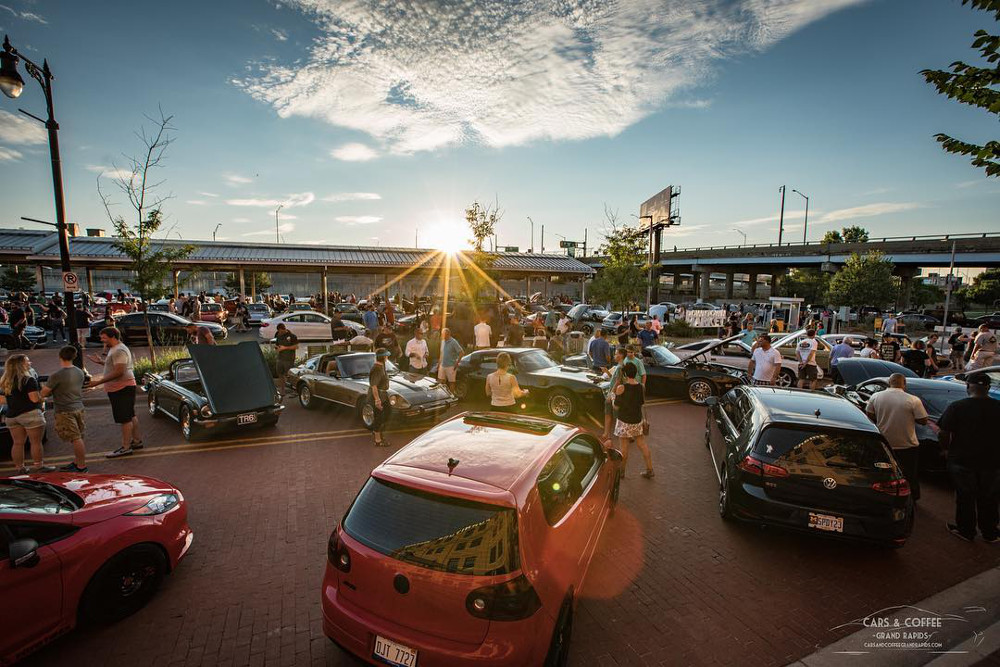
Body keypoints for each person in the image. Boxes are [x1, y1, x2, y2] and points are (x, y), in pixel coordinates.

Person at [938, 373, 1000, 542]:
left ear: (968, 387)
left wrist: (945, 450)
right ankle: (990, 532)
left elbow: (944, 432)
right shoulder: (998, 406)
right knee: (990, 497)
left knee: (965, 497)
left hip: (962, 459)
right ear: (988, 388)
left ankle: (966, 530)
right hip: (993, 461)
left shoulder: (957, 407)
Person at [866, 373, 928, 501]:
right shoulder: (913, 400)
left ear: (889, 382)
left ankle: (880, 496)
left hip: (884, 442)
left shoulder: (876, 396)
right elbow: (923, 420)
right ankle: (911, 499)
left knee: (882, 472)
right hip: (907, 444)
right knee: (909, 474)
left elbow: (869, 415)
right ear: (904, 384)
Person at [88, 327, 143, 459]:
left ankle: (125, 448)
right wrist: (102, 362)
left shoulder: (119, 350)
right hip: (122, 387)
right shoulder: (115, 349)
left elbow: (120, 371)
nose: (101, 339)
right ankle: (136, 441)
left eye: (104, 337)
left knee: (125, 419)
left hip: (121, 387)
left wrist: (97, 382)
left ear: (112, 336)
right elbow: (115, 367)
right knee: (130, 414)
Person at [0, 354, 52, 473]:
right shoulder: (29, 380)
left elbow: (2, 400)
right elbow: (34, 399)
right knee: (35, 442)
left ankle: (20, 468)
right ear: (20, 365)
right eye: (27, 361)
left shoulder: (5, 380)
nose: (30, 363)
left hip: (12, 416)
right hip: (30, 414)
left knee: (17, 443)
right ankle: (39, 466)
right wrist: (43, 398)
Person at [40, 345, 89, 472]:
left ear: (60, 356)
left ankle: (81, 466)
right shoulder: (79, 372)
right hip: (79, 407)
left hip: (64, 410)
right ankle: (77, 462)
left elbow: (44, 393)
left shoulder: (56, 375)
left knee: (75, 438)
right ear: (74, 356)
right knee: (79, 436)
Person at [614, 363, 653, 479]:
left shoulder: (621, 388)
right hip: (637, 420)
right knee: (642, 444)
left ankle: (622, 471)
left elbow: (616, 407)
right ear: (636, 373)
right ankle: (650, 469)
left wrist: (613, 399)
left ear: (625, 374)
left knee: (624, 448)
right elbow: (641, 403)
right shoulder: (641, 387)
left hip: (624, 421)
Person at [367, 348, 392, 447]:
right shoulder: (377, 368)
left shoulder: (382, 366)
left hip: (383, 395)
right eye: (386, 355)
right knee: (379, 417)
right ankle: (378, 440)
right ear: (383, 357)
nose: (387, 357)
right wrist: (377, 400)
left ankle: (377, 432)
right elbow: (374, 386)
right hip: (377, 396)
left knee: (387, 414)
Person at [273, 323, 298, 398]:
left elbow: (296, 346)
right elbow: (277, 344)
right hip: (280, 358)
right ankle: (282, 390)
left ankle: (294, 391)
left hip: (289, 359)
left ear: (284, 329)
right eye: (279, 332)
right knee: (280, 374)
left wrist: (285, 348)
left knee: (290, 375)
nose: (280, 333)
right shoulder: (278, 335)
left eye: (281, 331)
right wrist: (277, 348)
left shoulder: (292, 336)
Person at [438, 328, 463, 392]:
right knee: (441, 381)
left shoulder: (453, 342)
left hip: (451, 366)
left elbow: (461, 353)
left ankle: (451, 396)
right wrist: (439, 363)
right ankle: (442, 395)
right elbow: (442, 353)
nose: (442, 336)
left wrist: (457, 363)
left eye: (443, 335)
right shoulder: (443, 342)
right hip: (442, 365)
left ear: (448, 334)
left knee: (451, 382)